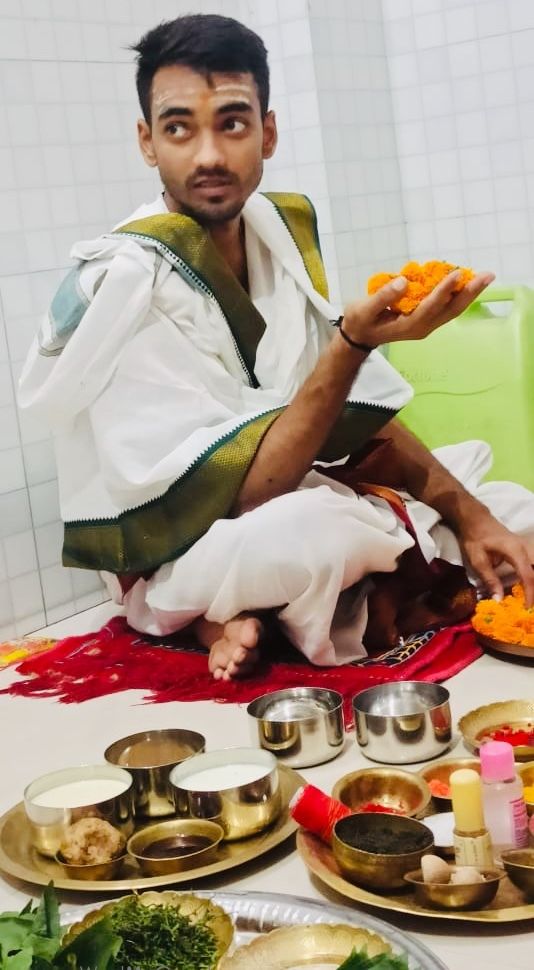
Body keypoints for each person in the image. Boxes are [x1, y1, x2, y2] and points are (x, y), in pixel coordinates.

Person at [19, 14, 534, 681]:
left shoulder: (276, 235)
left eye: (232, 123)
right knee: (317, 537)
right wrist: (350, 345)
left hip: (299, 491)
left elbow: (357, 416)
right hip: (184, 539)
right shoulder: (130, 281)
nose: (207, 155)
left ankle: (263, 614)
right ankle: (196, 617)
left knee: (513, 509)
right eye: (178, 128)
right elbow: (250, 496)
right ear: (147, 142)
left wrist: (472, 514)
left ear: (268, 131)